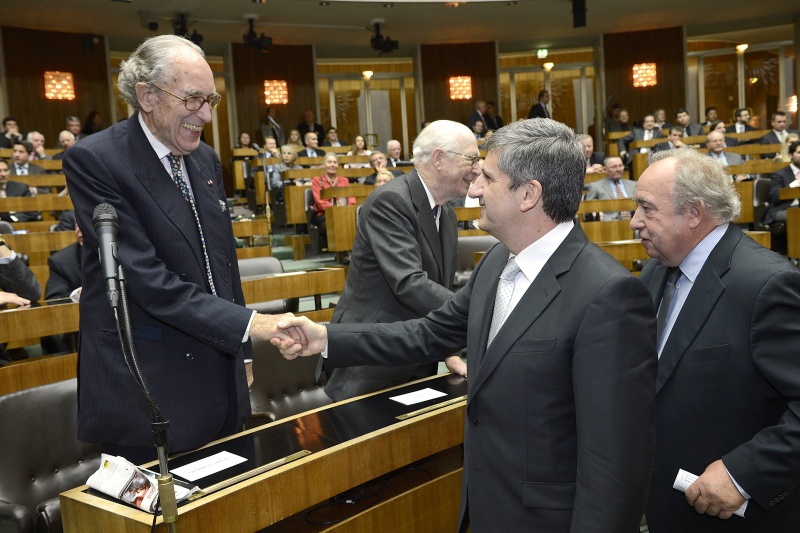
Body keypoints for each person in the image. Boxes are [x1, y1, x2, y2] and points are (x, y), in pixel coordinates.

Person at [276, 118, 657, 532]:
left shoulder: (609, 295)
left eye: (488, 178)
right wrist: (326, 337)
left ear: (528, 195)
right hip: (486, 507)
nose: (474, 189)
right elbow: (427, 334)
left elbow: (615, 462)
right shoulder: (496, 262)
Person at [62, 35, 298, 463]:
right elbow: (147, 281)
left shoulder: (205, 159)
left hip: (220, 373)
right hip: (148, 386)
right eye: (192, 99)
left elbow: (222, 266)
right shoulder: (96, 160)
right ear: (147, 95)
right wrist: (252, 326)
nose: (205, 114)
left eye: (210, 100)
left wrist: (241, 352)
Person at [631, 147, 800, 531]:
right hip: (662, 509)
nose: (634, 222)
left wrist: (743, 473)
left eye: (646, 208)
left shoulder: (766, 285)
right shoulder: (655, 274)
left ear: (694, 212)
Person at [321, 120, 476, 402]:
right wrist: (479, 315)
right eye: (472, 159)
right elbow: (410, 284)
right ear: (439, 159)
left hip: (420, 354)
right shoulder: (391, 200)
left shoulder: (447, 214)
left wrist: (449, 350)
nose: (477, 169)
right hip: (373, 358)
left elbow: (442, 286)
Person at [311, 153, 354, 249]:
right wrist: (336, 209)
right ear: (323, 165)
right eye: (329, 162)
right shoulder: (317, 180)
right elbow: (319, 201)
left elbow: (351, 198)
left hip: (343, 212)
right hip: (324, 215)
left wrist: (347, 209)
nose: (332, 165)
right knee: (339, 222)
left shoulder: (344, 181)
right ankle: (342, 253)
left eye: (335, 162)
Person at [584, 156, 636, 220]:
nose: (618, 169)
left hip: (634, 221)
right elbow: (587, 211)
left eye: (620, 166)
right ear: (605, 169)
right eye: (614, 167)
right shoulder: (595, 186)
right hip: (609, 225)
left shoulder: (634, 185)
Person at [763, 140, 800, 226]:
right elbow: (775, 196)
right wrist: (796, 183)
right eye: (799, 152)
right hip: (783, 209)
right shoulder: (779, 174)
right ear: (791, 155)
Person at [0, 158, 40, 223]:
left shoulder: (22, 188)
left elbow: (32, 212)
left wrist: (13, 218)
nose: (3, 174)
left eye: (6, 170)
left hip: (18, 224)